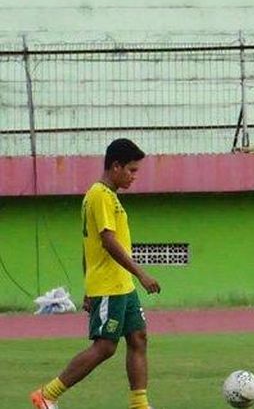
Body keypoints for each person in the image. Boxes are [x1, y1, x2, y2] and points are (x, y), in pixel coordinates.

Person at [31, 138, 161, 409]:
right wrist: (141, 274)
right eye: (132, 170)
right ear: (116, 166)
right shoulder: (100, 195)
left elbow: (86, 246)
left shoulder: (108, 196)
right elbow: (107, 241)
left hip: (122, 286)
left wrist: (88, 288)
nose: (134, 177)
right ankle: (46, 394)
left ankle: (139, 404)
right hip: (110, 286)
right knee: (105, 347)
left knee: (138, 338)